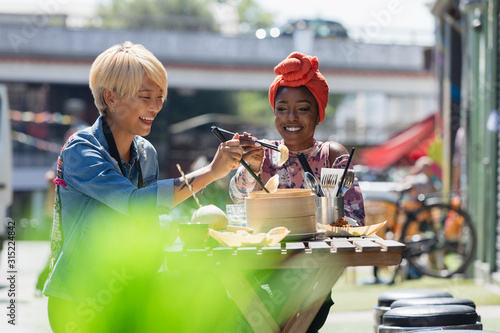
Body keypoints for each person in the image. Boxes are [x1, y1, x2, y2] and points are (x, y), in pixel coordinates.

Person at [42, 41, 244, 332]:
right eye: (145, 96)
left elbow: (146, 221)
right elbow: (135, 204)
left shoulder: (146, 152)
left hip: (132, 293)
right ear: (110, 97)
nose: (155, 107)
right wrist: (212, 172)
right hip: (80, 301)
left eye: (160, 97)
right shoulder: (80, 150)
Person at [229, 51, 366, 332]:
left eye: (303, 108)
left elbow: (352, 221)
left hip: (312, 280)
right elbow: (237, 201)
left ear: (318, 114)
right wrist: (249, 166)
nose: (291, 117)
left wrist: (318, 223)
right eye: (282, 108)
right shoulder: (263, 155)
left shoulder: (330, 156)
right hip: (257, 273)